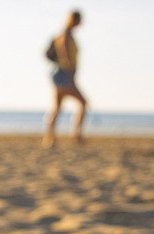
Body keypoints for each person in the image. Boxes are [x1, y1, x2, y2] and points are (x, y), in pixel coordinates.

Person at [43, 10, 87, 148]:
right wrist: (71, 73)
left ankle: (50, 138)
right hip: (64, 74)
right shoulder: (66, 35)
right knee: (83, 102)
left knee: (57, 107)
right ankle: (76, 135)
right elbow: (64, 55)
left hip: (60, 74)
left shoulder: (64, 35)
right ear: (75, 20)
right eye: (80, 20)